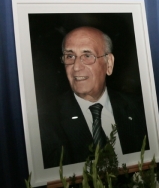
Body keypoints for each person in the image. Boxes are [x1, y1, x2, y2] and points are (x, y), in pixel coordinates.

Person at [39, 26, 148, 168]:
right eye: (70, 56)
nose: (77, 67)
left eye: (87, 55)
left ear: (109, 64)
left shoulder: (139, 109)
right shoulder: (46, 121)